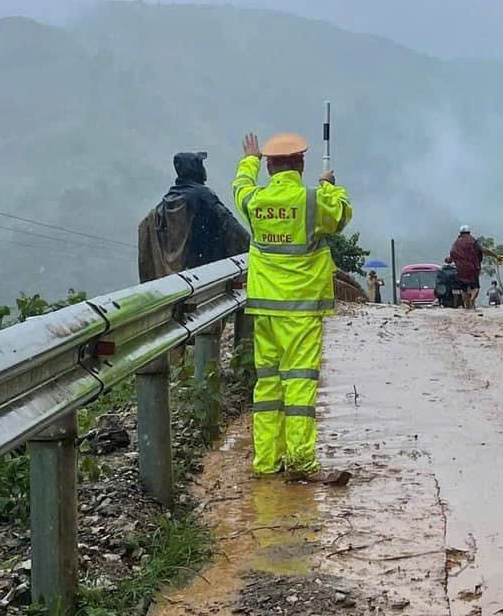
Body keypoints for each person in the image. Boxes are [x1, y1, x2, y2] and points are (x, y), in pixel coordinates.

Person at [233, 131, 353, 485]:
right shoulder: (313, 201)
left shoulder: (254, 201)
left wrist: (248, 160)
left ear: (269, 166)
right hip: (299, 309)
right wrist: (330, 184)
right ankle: (300, 460)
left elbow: (239, 186)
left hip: (265, 310)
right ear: (300, 163)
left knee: (268, 386)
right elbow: (342, 215)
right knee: (299, 386)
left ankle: (266, 461)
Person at [137, 151, 250, 281]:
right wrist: (253, 248)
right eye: (200, 165)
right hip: (204, 273)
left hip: (180, 277)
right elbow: (231, 226)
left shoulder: (168, 200)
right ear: (194, 168)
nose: (204, 170)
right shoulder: (203, 196)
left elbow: (146, 227)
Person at [449, 225, 486, 309]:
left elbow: (452, 254)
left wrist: (450, 259)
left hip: (461, 270)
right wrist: (495, 256)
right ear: (469, 232)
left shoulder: (456, 243)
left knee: (463, 289)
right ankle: (472, 299)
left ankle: (467, 306)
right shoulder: (473, 241)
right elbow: (482, 250)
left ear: (460, 233)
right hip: (473, 268)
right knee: (475, 287)